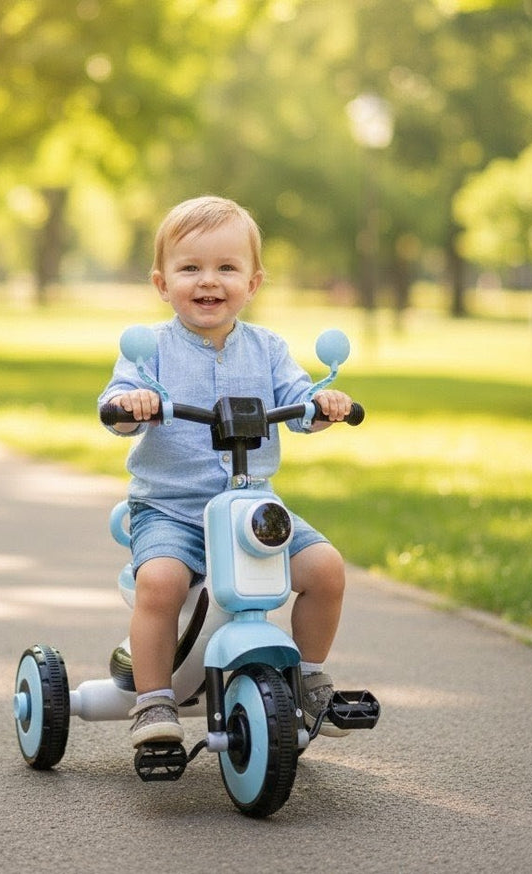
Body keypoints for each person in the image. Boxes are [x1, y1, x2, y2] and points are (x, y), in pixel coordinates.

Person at [99, 195, 353, 748]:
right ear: (163, 284)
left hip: (254, 507)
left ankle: (307, 675)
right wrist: (130, 405)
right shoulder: (150, 351)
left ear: (253, 283)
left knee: (326, 570)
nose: (208, 281)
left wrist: (325, 405)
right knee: (160, 583)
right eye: (190, 268)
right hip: (173, 509)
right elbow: (116, 404)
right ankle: (152, 701)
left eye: (226, 268)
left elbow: (299, 399)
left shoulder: (267, 348)